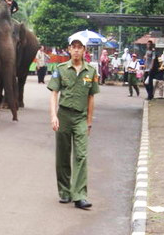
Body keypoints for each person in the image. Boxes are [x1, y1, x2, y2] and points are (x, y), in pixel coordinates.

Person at [48, 38, 99, 210]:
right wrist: (54, 115)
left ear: (84, 50)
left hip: (80, 118)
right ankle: (64, 191)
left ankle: (80, 195)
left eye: (80, 47)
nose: (76, 50)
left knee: (81, 155)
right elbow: (54, 93)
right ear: (69, 49)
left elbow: (91, 97)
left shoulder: (91, 71)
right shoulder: (61, 69)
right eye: (74, 47)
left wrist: (89, 121)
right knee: (63, 154)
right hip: (63, 115)